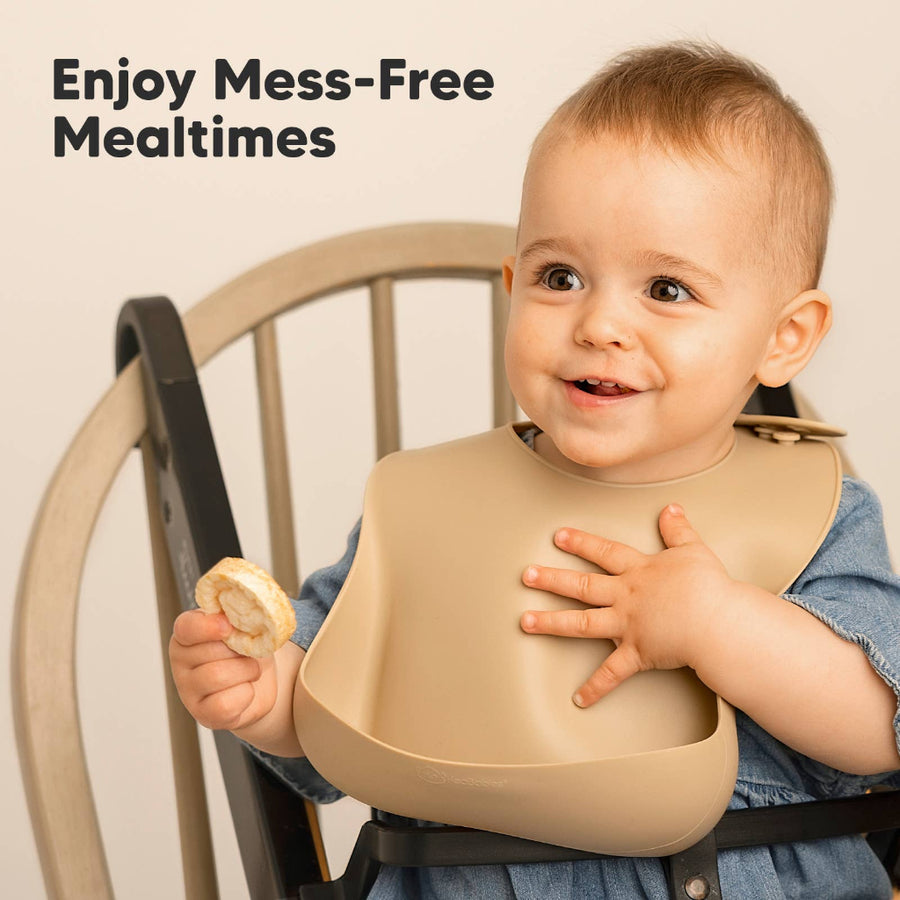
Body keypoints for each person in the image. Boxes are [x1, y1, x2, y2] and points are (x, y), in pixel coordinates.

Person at [169, 41, 900, 898]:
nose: (599, 324)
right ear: (513, 285)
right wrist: (267, 694)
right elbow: (342, 694)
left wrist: (719, 624)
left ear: (786, 337)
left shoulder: (812, 513)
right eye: (561, 277)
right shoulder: (432, 507)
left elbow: (881, 723)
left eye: (666, 290)